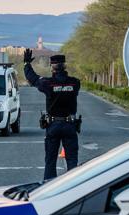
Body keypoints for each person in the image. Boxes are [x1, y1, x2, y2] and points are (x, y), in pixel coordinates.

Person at [24, 49, 81, 180]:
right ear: (65, 66)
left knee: (50, 161)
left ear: (52, 67)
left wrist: (27, 64)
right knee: (72, 160)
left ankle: (49, 187)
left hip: (53, 125)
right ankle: (74, 188)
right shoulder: (75, 83)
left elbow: (32, 78)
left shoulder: (47, 83)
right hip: (70, 125)